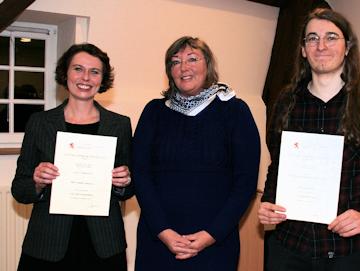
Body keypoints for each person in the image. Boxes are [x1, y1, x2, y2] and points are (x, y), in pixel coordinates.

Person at [258, 8, 360, 271]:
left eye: (331, 37)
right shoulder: (285, 101)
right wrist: (268, 200)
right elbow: (277, 166)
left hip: (348, 251)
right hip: (287, 248)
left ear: (348, 47)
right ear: (303, 49)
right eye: (312, 38)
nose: (320, 45)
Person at [132, 36, 260, 270]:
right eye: (175, 62)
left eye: (193, 59)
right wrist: (164, 231)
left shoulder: (235, 111)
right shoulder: (153, 112)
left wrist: (211, 235)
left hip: (215, 244)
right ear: (169, 71)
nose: (184, 67)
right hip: (158, 241)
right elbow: (140, 175)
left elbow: (246, 182)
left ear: (208, 65)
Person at [11, 43, 134, 271]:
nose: (85, 77)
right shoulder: (39, 123)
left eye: (94, 72)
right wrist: (36, 182)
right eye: (78, 68)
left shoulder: (120, 124)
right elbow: (20, 189)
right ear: (65, 73)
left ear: (102, 79)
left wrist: (124, 182)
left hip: (104, 244)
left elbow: (130, 187)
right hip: (47, 242)